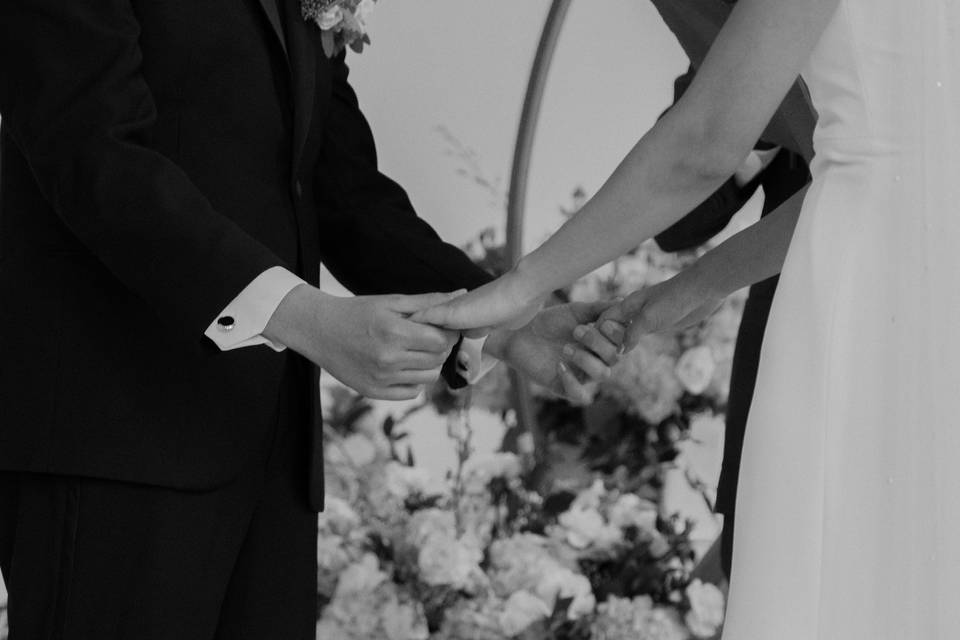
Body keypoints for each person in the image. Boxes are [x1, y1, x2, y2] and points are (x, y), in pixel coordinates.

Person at [0, 1, 618, 637]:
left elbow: (336, 183)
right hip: (113, 437)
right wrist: (304, 318)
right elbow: (89, 151)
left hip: (270, 456)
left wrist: (500, 319)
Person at [418, 0, 960, 636]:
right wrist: (692, 287)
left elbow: (707, 142)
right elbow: (896, 163)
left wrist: (525, 285)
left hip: (868, 310)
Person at [655, 67, 812, 581]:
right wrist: (757, 129)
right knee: (761, 558)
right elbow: (673, 224)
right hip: (790, 343)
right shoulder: (744, 31)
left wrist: (700, 285)